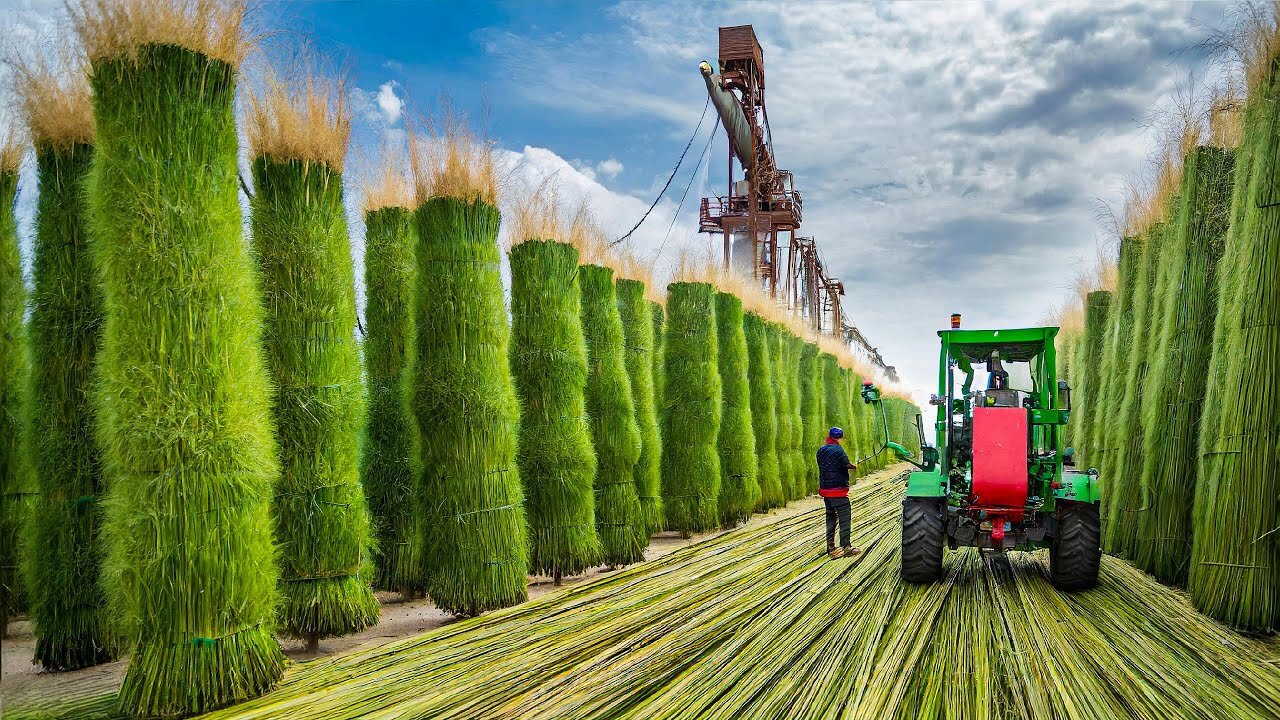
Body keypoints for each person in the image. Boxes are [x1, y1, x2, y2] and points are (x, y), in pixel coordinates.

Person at [816, 427, 860, 559]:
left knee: (830, 518)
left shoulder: (821, 450)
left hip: (826, 491)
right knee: (844, 519)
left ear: (829, 436)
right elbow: (844, 465)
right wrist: (853, 466)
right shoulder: (839, 450)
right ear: (840, 438)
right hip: (838, 492)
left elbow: (825, 466)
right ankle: (846, 547)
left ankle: (831, 548)